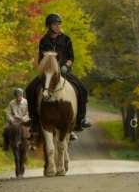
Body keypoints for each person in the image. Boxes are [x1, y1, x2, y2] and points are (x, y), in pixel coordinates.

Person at [25, 13, 92, 141]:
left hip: (64, 70)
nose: (57, 26)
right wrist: (45, 70)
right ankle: (33, 121)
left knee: (83, 89)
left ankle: (81, 119)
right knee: (30, 89)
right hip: (48, 73)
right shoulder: (43, 41)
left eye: (59, 24)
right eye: (55, 24)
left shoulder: (66, 39)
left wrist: (65, 66)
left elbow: (71, 57)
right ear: (49, 26)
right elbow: (41, 59)